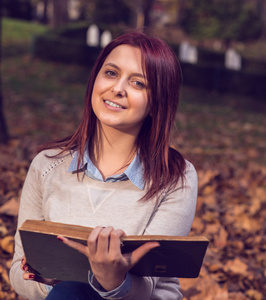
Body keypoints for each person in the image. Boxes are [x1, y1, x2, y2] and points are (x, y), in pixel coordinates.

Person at [10, 30, 198, 300]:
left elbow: (149, 289)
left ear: (157, 102)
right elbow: (18, 270)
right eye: (111, 73)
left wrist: (112, 281)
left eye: (138, 83)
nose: (118, 89)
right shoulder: (46, 166)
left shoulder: (175, 177)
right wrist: (49, 277)